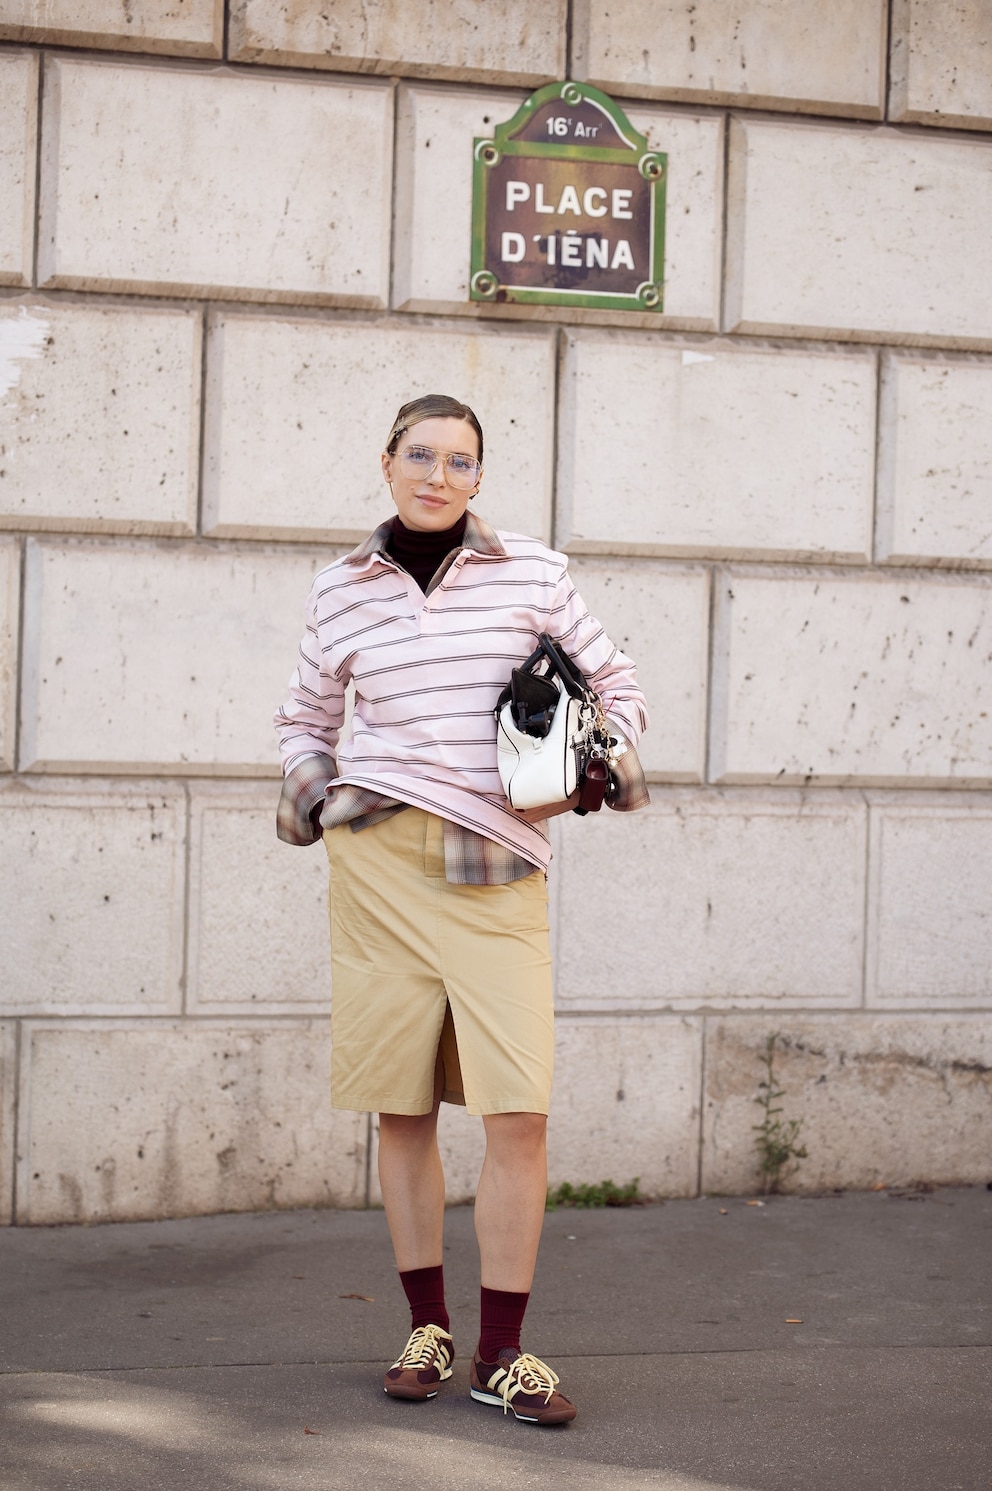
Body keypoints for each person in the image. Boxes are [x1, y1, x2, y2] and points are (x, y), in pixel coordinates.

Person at [274, 393, 648, 1426]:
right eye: (421, 455)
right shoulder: (341, 588)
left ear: (478, 477)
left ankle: (502, 1351)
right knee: (403, 1104)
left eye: (460, 461)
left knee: (516, 1111)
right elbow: (302, 717)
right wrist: (322, 799)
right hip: (379, 865)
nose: (438, 475)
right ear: (387, 462)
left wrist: (598, 758)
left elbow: (614, 677)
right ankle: (426, 1329)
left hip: (494, 864)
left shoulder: (530, 571)